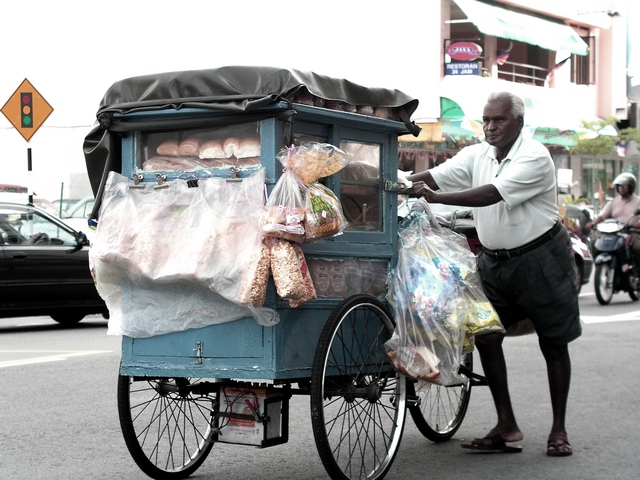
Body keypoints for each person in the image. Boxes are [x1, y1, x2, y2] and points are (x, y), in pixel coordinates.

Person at [407, 91, 581, 456]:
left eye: (498, 120)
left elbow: (491, 194)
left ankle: (559, 431)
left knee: (553, 343)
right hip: (494, 262)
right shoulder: (477, 154)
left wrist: (436, 199)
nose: (490, 127)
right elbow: (434, 176)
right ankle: (507, 425)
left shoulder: (534, 156)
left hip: (542, 259)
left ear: (518, 121)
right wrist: (392, 179)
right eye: (486, 120)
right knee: (485, 335)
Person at [585, 172, 640, 267]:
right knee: (595, 242)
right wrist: (593, 223)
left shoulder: (638, 201)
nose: (621, 188)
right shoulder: (613, 202)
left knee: (637, 247)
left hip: (631, 232)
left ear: (631, 187)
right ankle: (599, 264)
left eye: (625, 186)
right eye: (619, 186)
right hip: (614, 232)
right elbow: (602, 216)